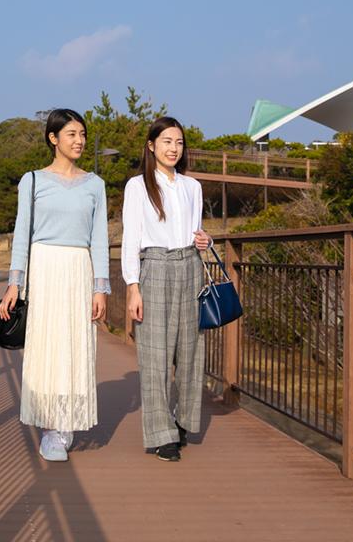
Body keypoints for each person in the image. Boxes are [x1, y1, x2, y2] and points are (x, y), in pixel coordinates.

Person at [0, 108, 110, 462]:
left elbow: (100, 239)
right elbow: (21, 236)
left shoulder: (95, 184)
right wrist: (15, 284)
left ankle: (66, 423)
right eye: (72, 134)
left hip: (79, 268)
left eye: (82, 135)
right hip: (43, 269)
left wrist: (100, 288)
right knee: (46, 345)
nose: (79, 141)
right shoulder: (32, 181)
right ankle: (50, 426)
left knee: (75, 344)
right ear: (53, 138)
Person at [122, 116, 211, 462]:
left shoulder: (193, 187)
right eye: (167, 142)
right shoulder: (138, 186)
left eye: (179, 143)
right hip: (154, 267)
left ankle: (183, 420)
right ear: (151, 146)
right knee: (155, 354)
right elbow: (131, 239)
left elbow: (196, 231)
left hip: (190, 266)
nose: (174, 148)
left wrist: (205, 239)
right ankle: (161, 434)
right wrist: (133, 287)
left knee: (190, 352)